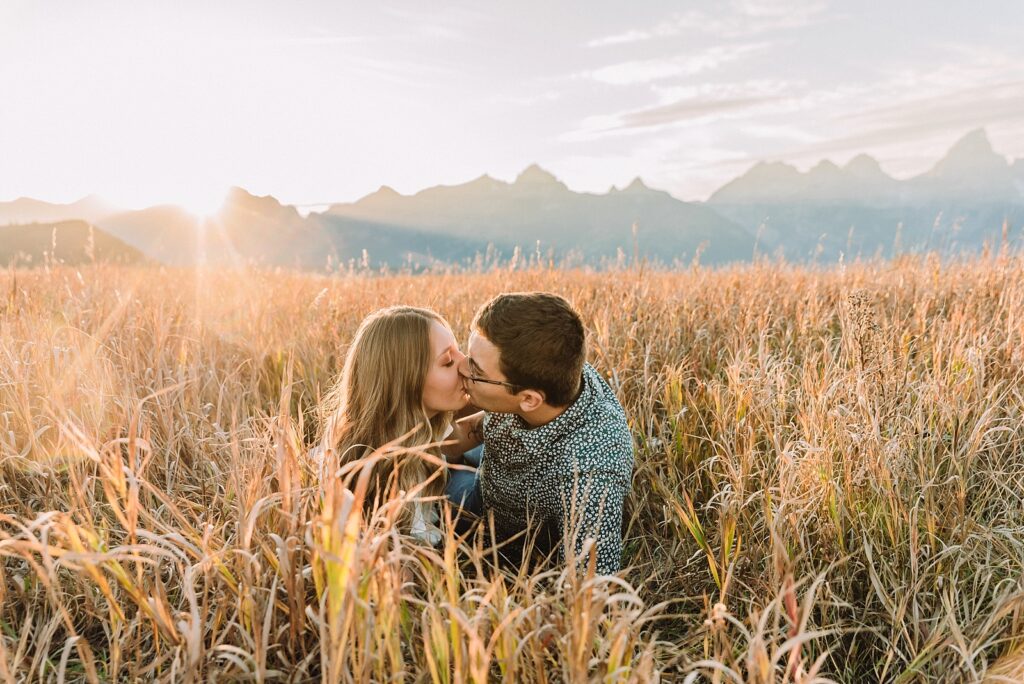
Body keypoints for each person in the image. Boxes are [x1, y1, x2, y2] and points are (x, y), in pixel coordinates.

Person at [444, 292, 634, 575]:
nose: (461, 367)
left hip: (495, 520)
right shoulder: (546, 362)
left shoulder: (589, 474)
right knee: (433, 453)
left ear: (529, 400)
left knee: (438, 484)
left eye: (476, 369)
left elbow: (592, 595)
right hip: (496, 460)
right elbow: (470, 430)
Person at [318, 306, 469, 545]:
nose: (466, 364)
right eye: (449, 361)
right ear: (406, 383)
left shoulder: (423, 423)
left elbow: (463, 437)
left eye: (459, 351)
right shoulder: (377, 480)